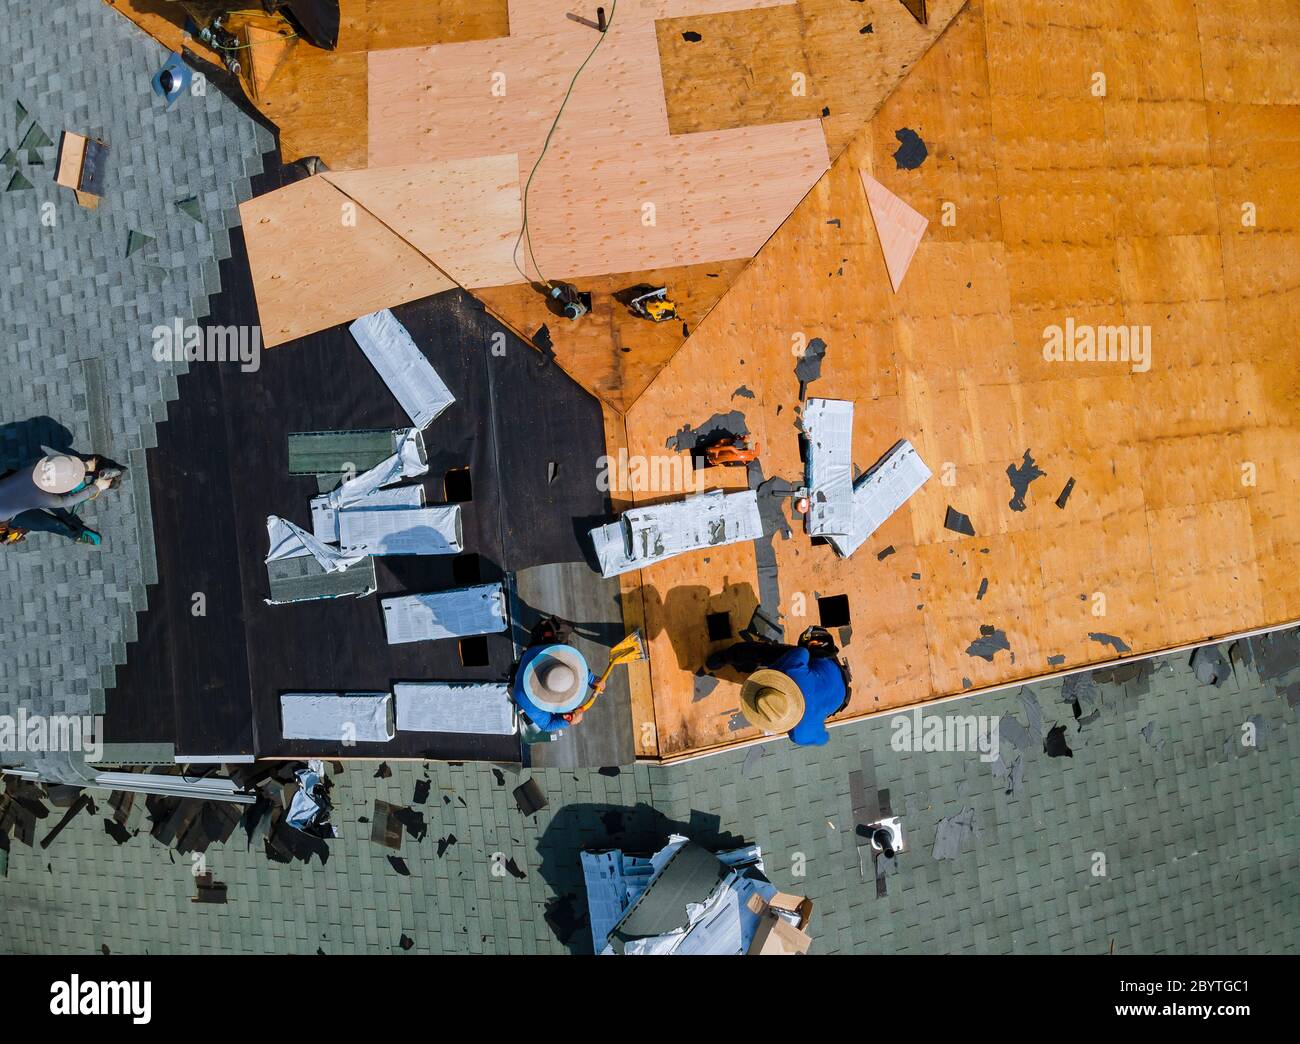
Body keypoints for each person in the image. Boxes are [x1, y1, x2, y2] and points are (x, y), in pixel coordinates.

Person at [720, 626, 849, 747]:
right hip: (833, 687)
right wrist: (769, 674)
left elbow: (823, 738)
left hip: (838, 688)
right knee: (769, 653)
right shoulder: (800, 735)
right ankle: (728, 656)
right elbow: (801, 652)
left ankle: (727, 657)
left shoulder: (801, 735)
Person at [0, 453, 115, 546]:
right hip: (6, 521)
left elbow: (53, 467)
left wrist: (85, 466)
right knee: (47, 523)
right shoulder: (42, 496)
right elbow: (68, 501)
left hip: (11, 500)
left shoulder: (34, 467)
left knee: (48, 511)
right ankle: (76, 534)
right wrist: (97, 487)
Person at [511, 637, 595, 734]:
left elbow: (567, 669)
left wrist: (592, 679)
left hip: (527, 657)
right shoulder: (524, 697)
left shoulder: (538, 653)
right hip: (519, 683)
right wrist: (568, 721)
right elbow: (547, 725)